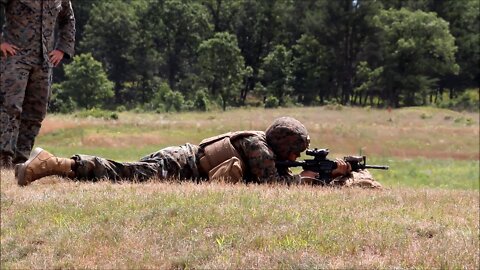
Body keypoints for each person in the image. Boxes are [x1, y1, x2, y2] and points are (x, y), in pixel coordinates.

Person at [14, 116, 382, 188]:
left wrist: (326, 172)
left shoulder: (261, 143)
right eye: (295, 151)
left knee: (129, 174)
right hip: (181, 163)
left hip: (185, 160)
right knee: (125, 174)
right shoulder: (260, 150)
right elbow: (276, 186)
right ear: (284, 146)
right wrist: (322, 179)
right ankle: (55, 163)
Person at [0, 0, 76, 169]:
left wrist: (62, 49)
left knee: (36, 111)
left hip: (43, 61)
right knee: (10, 107)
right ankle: (4, 157)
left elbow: (68, 18)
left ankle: (21, 159)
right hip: (15, 58)